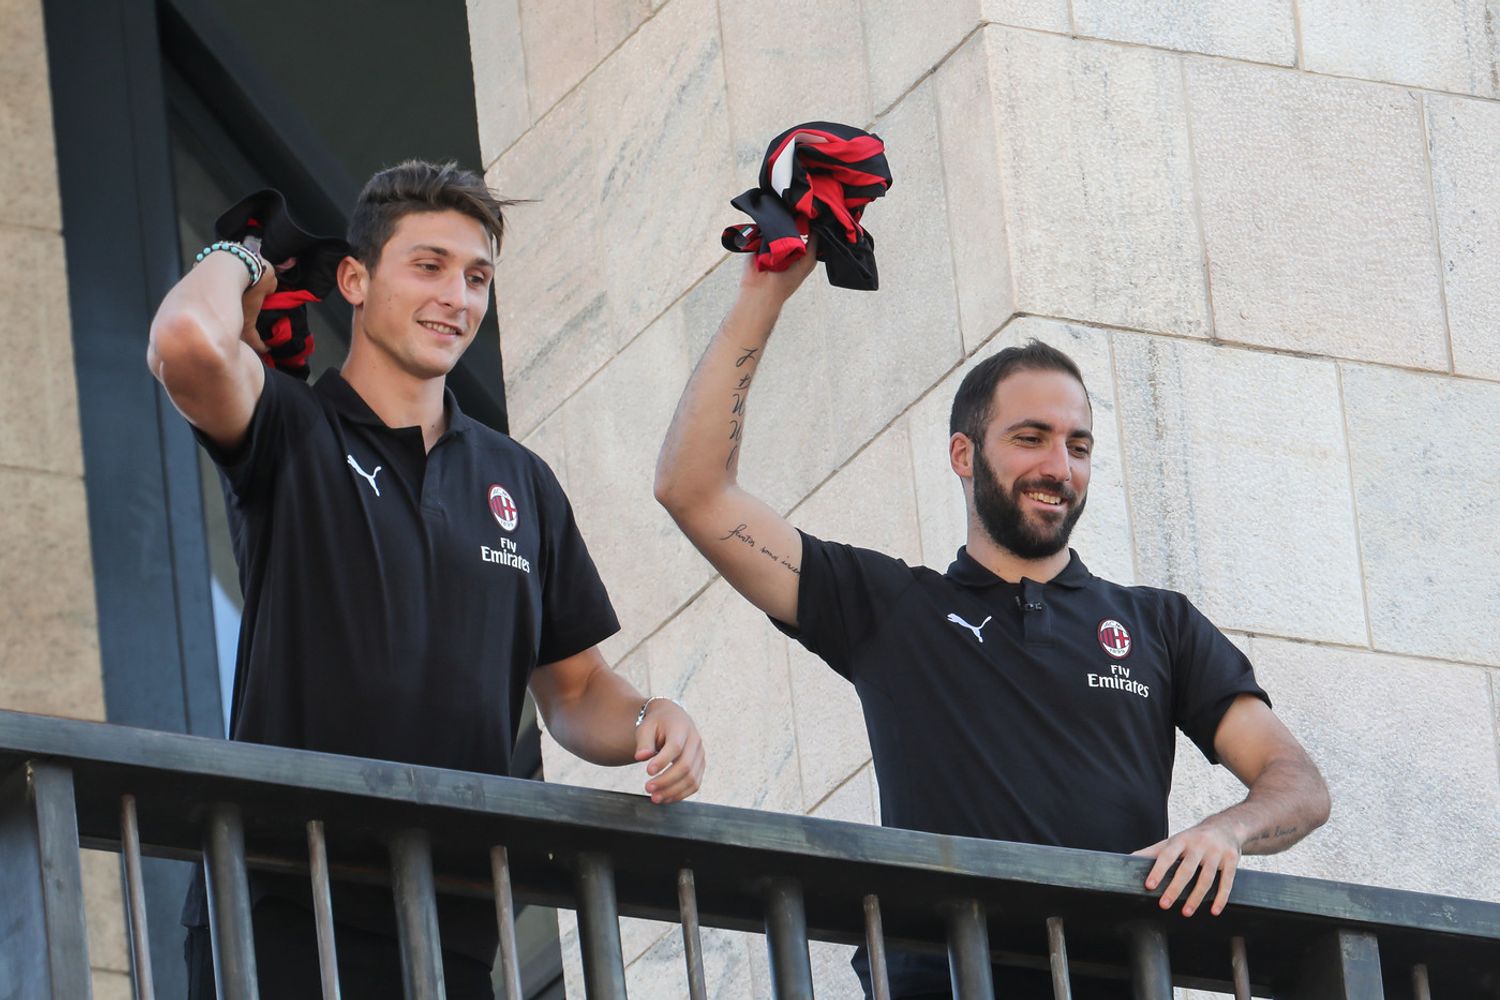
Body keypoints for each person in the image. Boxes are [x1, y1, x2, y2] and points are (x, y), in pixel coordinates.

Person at [654, 245, 1329, 998]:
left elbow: (1297, 783)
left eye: (1078, 446)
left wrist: (1224, 831)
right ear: (962, 454)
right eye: (1030, 437)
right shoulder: (888, 607)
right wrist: (765, 291)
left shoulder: (1159, 625)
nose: (1059, 467)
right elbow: (694, 492)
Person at [149, 160, 705, 998]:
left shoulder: (519, 479)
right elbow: (187, 343)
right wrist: (246, 251)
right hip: (279, 906)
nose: (459, 296)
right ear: (354, 280)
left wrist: (648, 719)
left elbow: (575, 687)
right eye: (429, 266)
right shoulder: (292, 429)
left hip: (452, 926)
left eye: (477, 277)